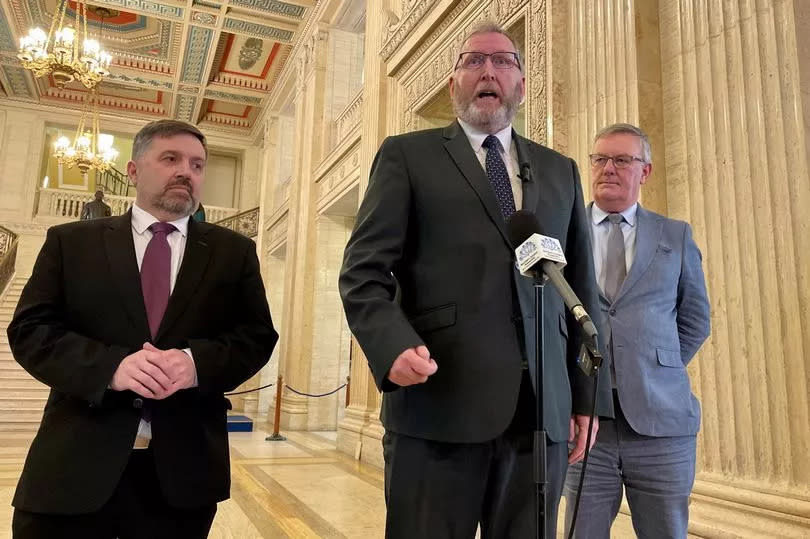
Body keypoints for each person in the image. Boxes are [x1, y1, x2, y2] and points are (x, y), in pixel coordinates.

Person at [339, 21, 612, 538]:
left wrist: (585, 396)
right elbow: (362, 271)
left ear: (522, 84)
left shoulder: (560, 170)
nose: (489, 71)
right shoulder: (407, 155)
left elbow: (580, 287)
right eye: (474, 61)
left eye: (504, 61)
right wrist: (390, 344)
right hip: (439, 403)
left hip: (539, 414)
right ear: (453, 84)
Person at [8, 119, 278, 538]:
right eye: (170, 158)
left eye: (198, 165)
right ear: (133, 171)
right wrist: (110, 368)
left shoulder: (234, 252)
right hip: (73, 466)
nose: (186, 172)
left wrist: (195, 365)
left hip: (182, 475)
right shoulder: (72, 242)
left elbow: (257, 336)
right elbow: (31, 329)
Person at [563, 123, 711, 538]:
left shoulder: (675, 235)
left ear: (644, 171)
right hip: (585, 423)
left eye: (623, 160)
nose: (608, 168)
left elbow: (695, 319)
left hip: (661, 426)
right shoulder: (562, 235)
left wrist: (654, 364)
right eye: (600, 159)